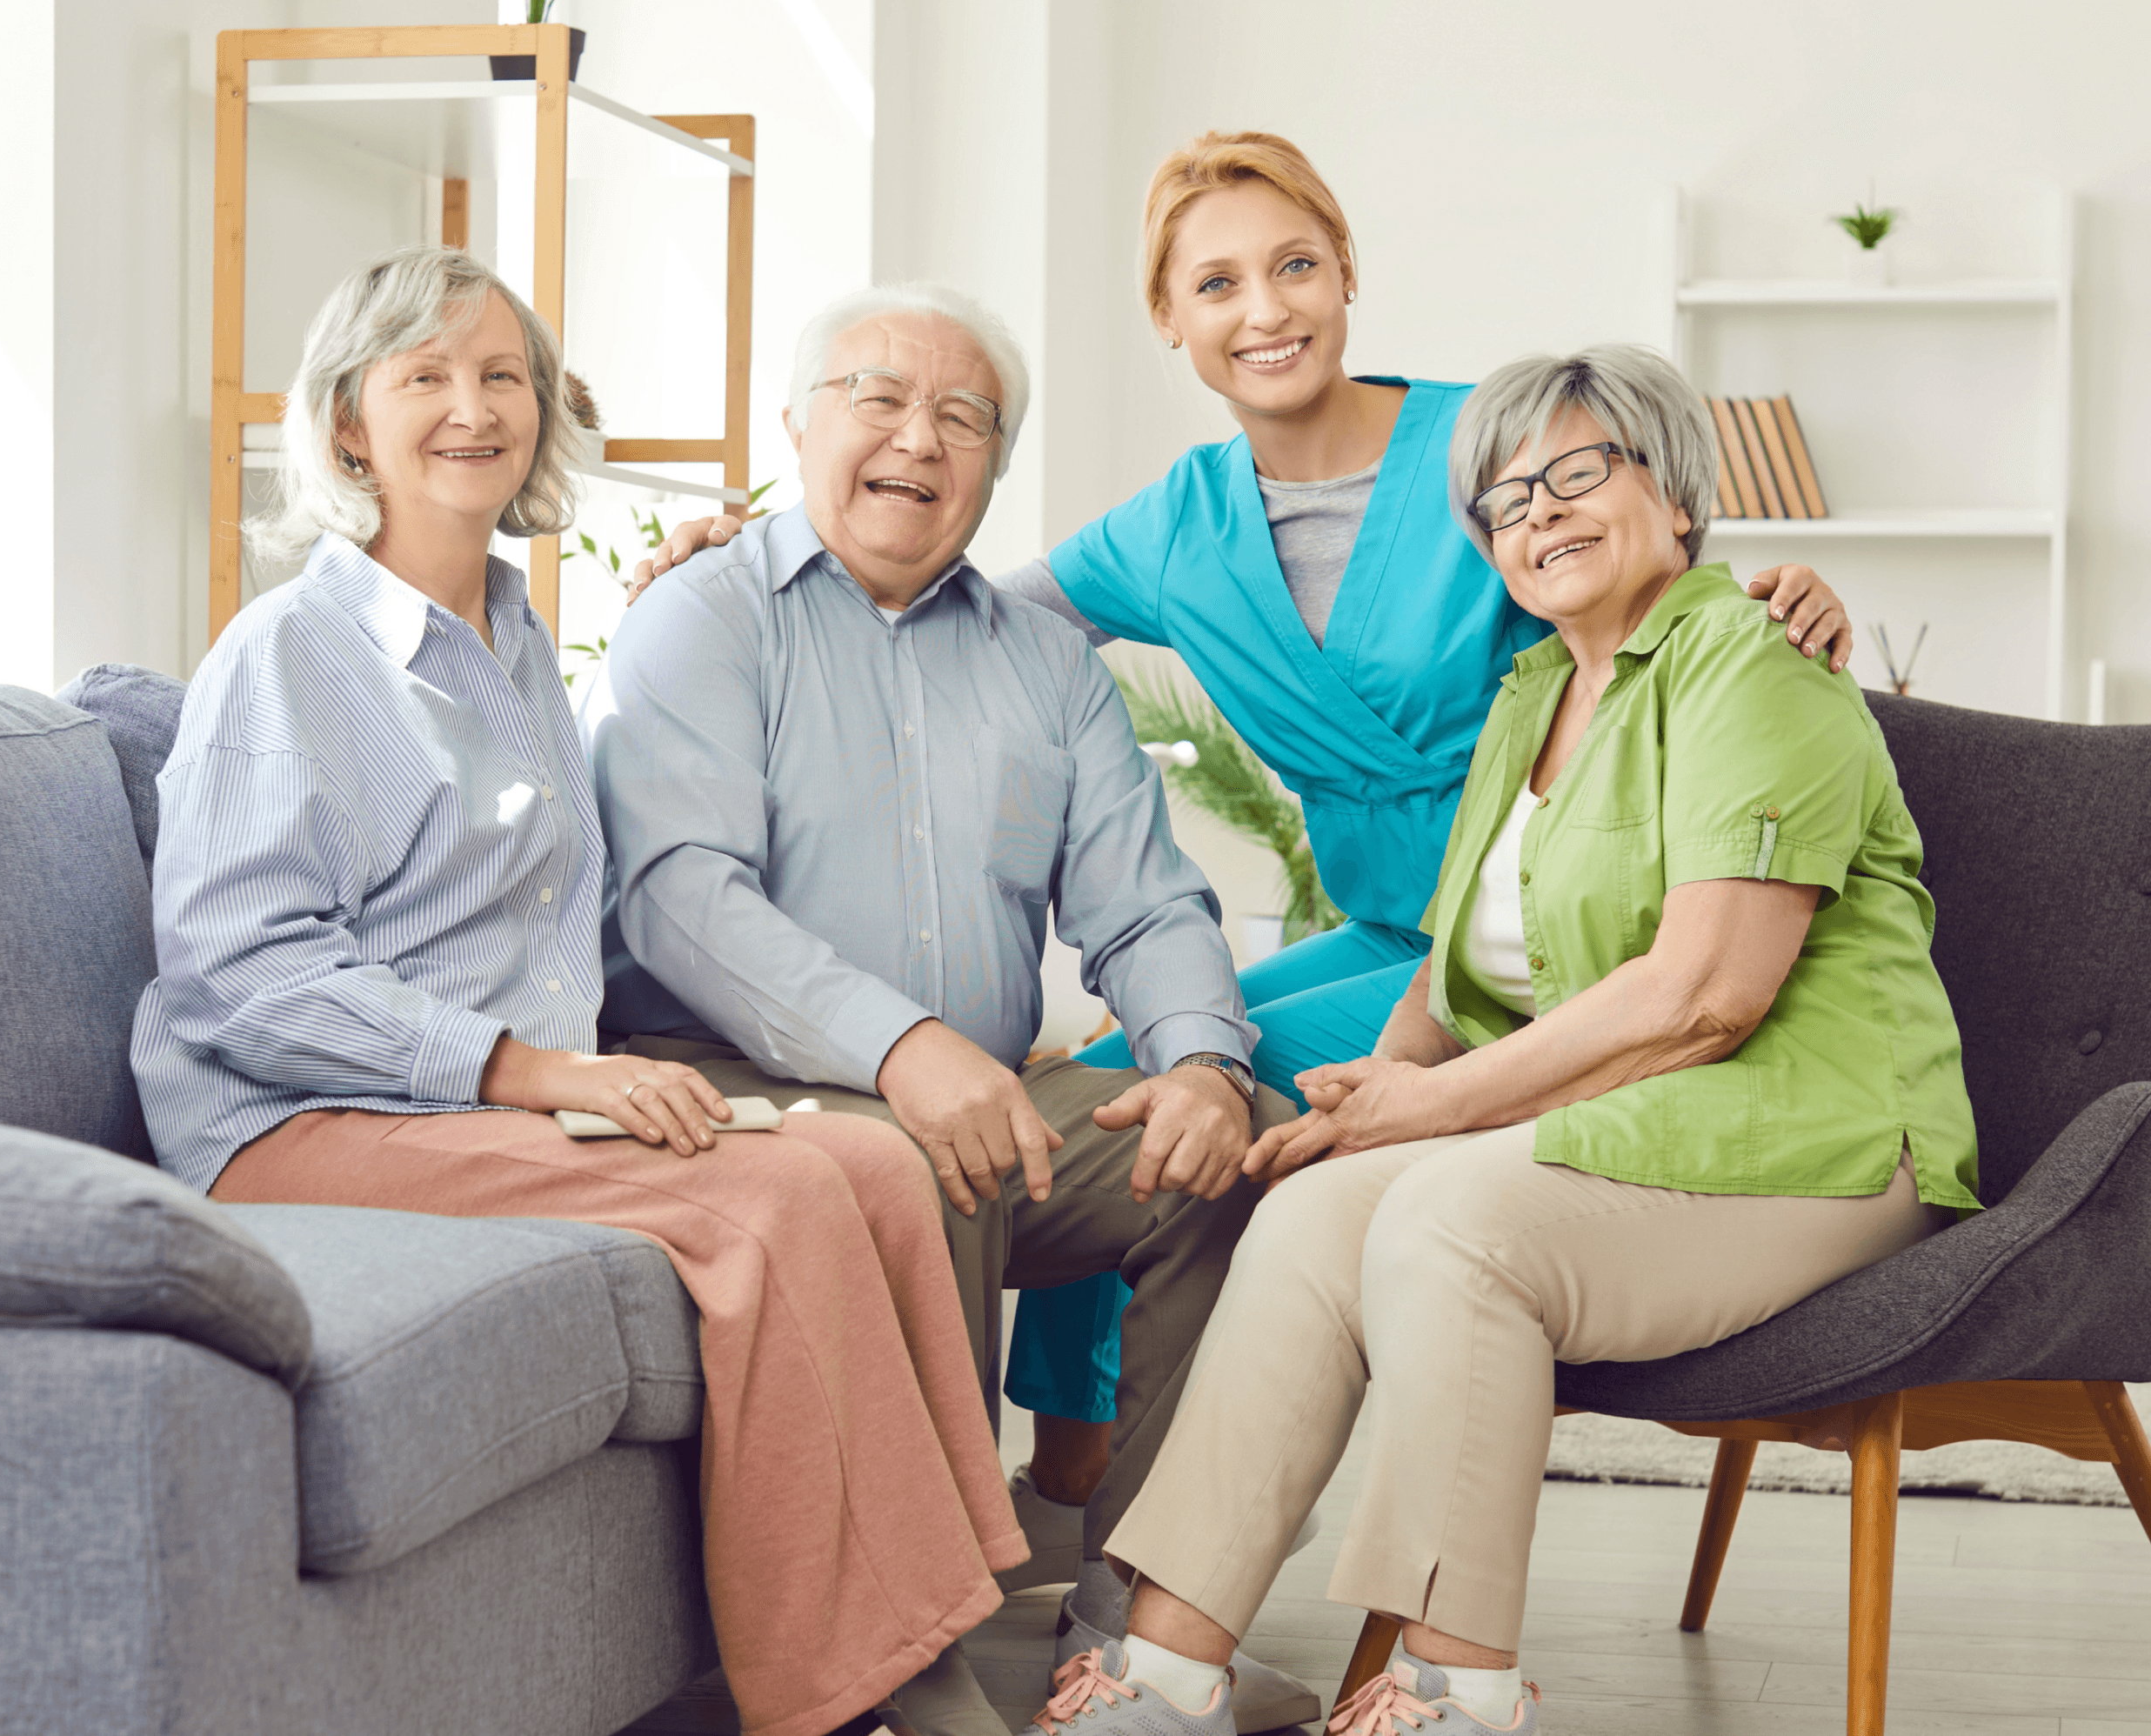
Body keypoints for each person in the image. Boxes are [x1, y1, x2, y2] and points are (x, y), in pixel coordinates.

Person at [630, 130, 1864, 1666]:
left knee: (1233, 1092)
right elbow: (945, 615)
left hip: (1547, 939)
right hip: (1384, 933)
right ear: (1170, 318)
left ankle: (1126, 1559)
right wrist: (739, 559)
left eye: (1293, 265)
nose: (1264, 308)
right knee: (1140, 1080)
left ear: (1347, 273)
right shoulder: (1174, 524)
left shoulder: (1488, 448)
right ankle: (1076, 1486)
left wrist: (1782, 594)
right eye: (1215, 282)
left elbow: (1646, 577)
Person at [1009, 344, 1981, 1736]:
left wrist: (1437, 1107)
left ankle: (1455, 1686)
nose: (1542, 511)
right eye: (1507, 498)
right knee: (1312, 1205)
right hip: (1644, 1137)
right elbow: (1458, 975)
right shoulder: (1532, 700)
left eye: (1582, 472)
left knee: (1449, 1223)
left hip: (1816, 1145)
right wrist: (1379, 1081)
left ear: (1680, 496)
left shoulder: (1748, 662)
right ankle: (1164, 1668)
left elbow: (1708, 994)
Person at [130, 247, 1024, 1736]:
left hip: (478, 1110)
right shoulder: (287, 652)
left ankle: (939, 1623)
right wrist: (543, 1077)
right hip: (298, 1124)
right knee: (783, 1199)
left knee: (868, 1163)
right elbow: (239, 972)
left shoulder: (517, 636)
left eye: (504, 379)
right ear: (349, 425)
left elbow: (543, 885)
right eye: (425, 377)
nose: (473, 409)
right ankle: (866, 1693)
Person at [584, 282, 1319, 1733]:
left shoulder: (1049, 664)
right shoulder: (703, 618)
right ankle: (912, 1650)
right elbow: (680, 895)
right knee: (931, 1152)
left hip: (980, 1093)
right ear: (799, 427)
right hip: (732, 1092)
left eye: (963, 416)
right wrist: (900, 1050)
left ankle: (1142, 1634)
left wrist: (1200, 1066)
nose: (919, 438)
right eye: (879, 398)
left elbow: (1149, 900)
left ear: (994, 460)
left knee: (1242, 1160)